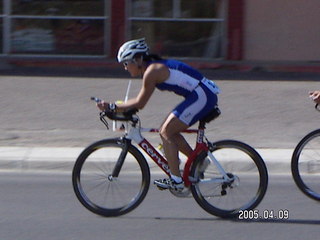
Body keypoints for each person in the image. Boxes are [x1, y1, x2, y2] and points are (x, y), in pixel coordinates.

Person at [97, 38, 220, 191]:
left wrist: (112, 106)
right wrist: (118, 107)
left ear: (138, 59)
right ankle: (199, 162)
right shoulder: (151, 69)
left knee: (166, 131)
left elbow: (140, 102)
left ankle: (177, 180)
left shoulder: (152, 71)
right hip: (200, 94)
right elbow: (139, 102)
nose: (125, 67)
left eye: (126, 63)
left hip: (202, 95)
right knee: (167, 129)